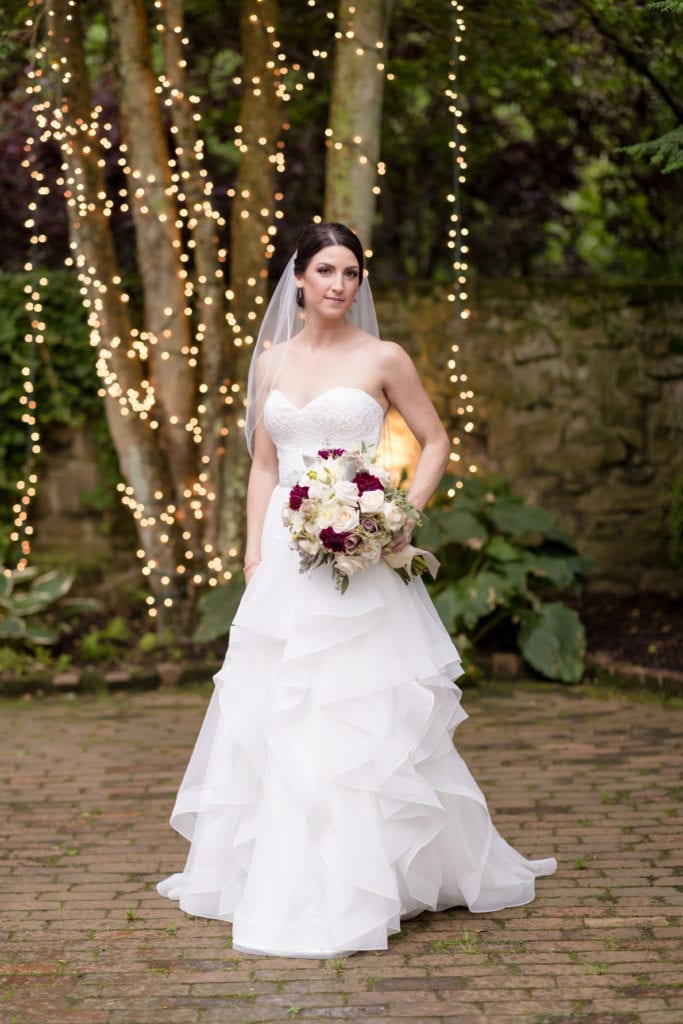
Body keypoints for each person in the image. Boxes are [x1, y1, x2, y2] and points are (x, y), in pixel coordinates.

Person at [157, 221, 557, 958]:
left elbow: (435, 440)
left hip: (361, 550)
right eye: (327, 271)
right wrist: (252, 558)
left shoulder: (384, 356)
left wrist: (400, 516)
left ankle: (370, 877)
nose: (340, 284)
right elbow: (265, 466)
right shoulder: (270, 359)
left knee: (357, 712)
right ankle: (277, 875)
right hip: (286, 552)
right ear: (299, 280)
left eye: (351, 272)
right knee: (282, 705)